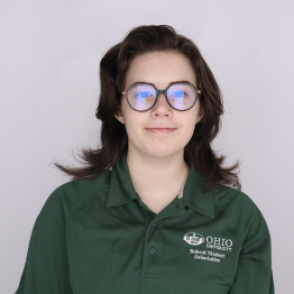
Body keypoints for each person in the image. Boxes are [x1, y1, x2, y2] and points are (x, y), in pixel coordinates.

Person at [15, 25, 275, 293]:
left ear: (200, 110)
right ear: (118, 107)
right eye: (142, 95)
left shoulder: (241, 218)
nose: (161, 109)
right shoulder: (66, 209)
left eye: (179, 94)